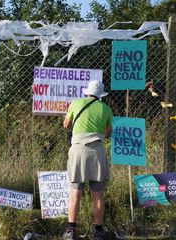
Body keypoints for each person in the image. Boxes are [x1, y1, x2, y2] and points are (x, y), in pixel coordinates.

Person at [62, 80, 113, 240]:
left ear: (87, 92)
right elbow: (109, 132)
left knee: (76, 192)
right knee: (97, 194)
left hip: (78, 150)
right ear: (100, 95)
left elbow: (66, 124)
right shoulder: (106, 109)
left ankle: (71, 230)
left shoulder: (76, 103)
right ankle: (98, 230)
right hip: (97, 151)